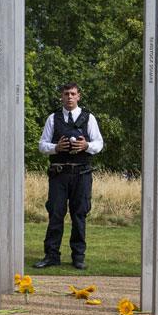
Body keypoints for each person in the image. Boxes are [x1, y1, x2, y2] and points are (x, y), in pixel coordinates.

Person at [33, 83, 104, 270]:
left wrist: (86, 146)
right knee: (55, 213)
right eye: (66, 94)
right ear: (61, 97)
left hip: (82, 174)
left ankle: (78, 257)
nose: (69, 97)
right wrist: (56, 148)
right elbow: (42, 145)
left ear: (78, 96)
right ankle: (51, 255)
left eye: (73, 94)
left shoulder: (89, 118)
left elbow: (99, 143)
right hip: (58, 174)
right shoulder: (53, 119)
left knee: (79, 214)